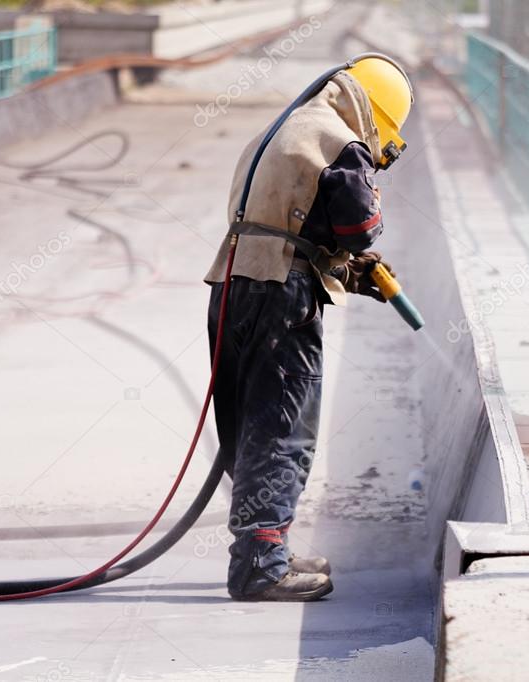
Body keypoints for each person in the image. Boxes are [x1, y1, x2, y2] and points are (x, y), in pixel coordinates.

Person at [203, 55, 413, 602]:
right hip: (280, 297)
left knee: (251, 424)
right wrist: (365, 222)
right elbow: (360, 226)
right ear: (380, 117)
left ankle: (265, 547)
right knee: (283, 426)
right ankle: (260, 567)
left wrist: (341, 270)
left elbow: (288, 223)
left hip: (232, 286)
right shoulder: (344, 142)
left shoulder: (285, 128)